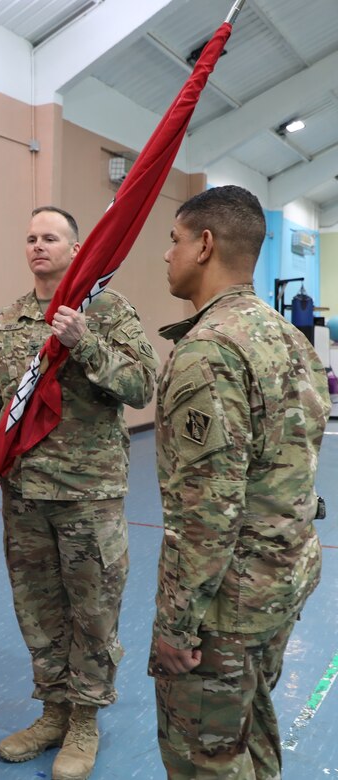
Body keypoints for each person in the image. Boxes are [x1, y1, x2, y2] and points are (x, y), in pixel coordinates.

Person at [0, 206, 159, 780]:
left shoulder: (109, 312)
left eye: (50, 237)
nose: (38, 246)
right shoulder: (8, 322)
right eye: (30, 237)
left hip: (88, 494)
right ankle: (52, 711)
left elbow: (142, 386)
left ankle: (84, 721)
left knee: (93, 613)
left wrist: (87, 343)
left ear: (77, 250)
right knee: (40, 611)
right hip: (23, 493)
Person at [149, 185, 331, 778]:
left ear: (204, 245)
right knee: (250, 729)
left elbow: (209, 509)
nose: (166, 255)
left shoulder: (208, 351)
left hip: (226, 606)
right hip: (282, 580)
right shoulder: (289, 339)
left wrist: (176, 626)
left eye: (173, 241)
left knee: (206, 755)